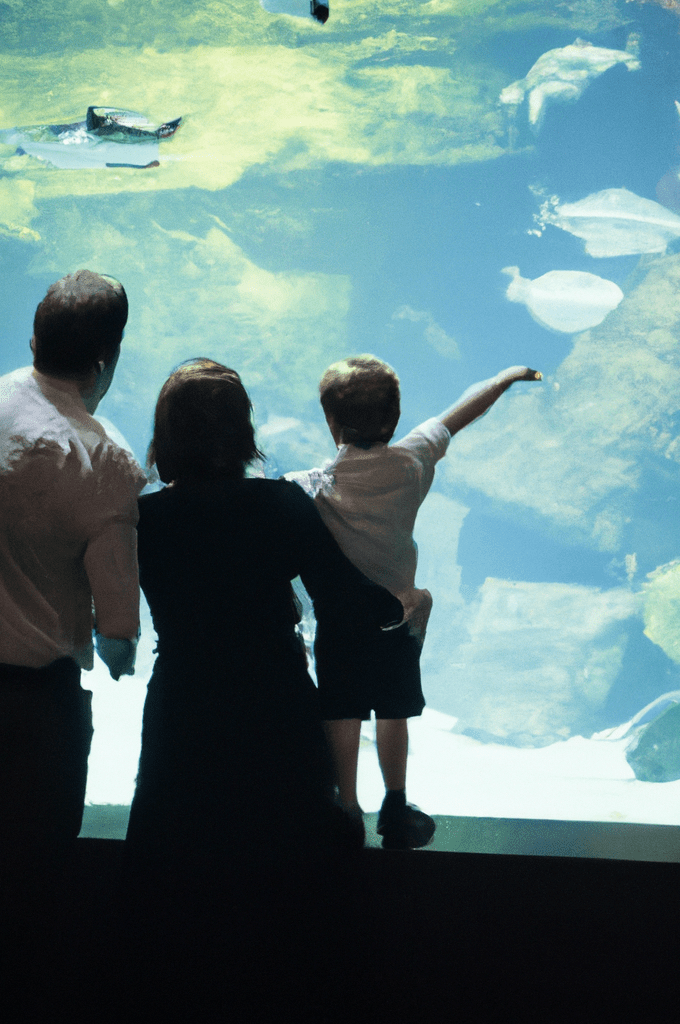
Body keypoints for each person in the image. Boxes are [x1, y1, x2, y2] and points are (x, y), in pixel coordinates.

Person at [121, 359, 402, 948]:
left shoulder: (146, 518)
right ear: (242, 430)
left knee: (174, 891)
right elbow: (346, 602)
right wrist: (404, 603)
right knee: (290, 897)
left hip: (183, 710)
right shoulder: (281, 505)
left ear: (166, 433)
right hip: (277, 711)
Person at [288, 356, 541, 849]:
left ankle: (346, 808)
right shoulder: (412, 463)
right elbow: (459, 415)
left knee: (341, 710)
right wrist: (502, 378)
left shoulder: (313, 485)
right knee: (392, 712)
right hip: (398, 619)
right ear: (396, 418)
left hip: (339, 623)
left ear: (330, 421)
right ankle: (396, 803)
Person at [0, 270, 144, 911]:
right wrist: (123, 653)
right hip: (28, 716)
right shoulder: (104, 458)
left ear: (33, 341)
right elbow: (117, 624)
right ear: (105, 359)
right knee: (29, 887)